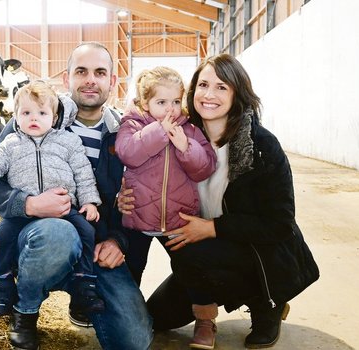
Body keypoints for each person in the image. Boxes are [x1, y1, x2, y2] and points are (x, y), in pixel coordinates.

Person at [118, 54, 319, 349]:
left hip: (256, 251)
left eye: (222, 87)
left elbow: (279, 224)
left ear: (238, 93)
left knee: (190, 252)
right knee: (156, 317)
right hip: (203, 248)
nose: (210, 94)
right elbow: (141, 166)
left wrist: (213, 228)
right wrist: (123, 196)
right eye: (203, 85)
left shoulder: (261, 146)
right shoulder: (181, 132)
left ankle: (266, 303)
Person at [0, 42, 153, 350]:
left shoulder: (126, 134)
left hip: (94, 247)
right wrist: (28, 204)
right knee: (58, 231)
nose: (90, 80)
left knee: (134, 341)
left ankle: (81, 296)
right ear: (67, 78)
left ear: (112, 81)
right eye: (81, 71)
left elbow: (138, 200)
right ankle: (24, 310)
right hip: (38, 239)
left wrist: (117, 240)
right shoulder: (32, 119)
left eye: (100, 72)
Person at [0, 80, 105, 319]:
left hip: (65, 207)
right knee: (1, 236)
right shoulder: (12, 143)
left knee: (87, 230)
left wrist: (89, 202)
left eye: (42, 113)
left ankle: (84, 284)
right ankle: (3, 286)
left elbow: (83, 174)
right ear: (16, 117)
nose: (34, 118)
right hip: (22, 214)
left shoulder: (68, 142)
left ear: (54, 118)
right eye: (26, 113)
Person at [115, 66, 217, 349]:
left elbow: (205, 168)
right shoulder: (132, 125)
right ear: (145, 103)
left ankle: (206, 321)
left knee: (194, 270)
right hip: (138, 219)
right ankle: (128, 319)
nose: (171, 110)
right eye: (161, 103)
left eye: (176, 102)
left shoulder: (191, 130)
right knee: (133, 270)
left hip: (178, 220)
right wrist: (158, 131)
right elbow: (128, 154)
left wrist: (186, 147)